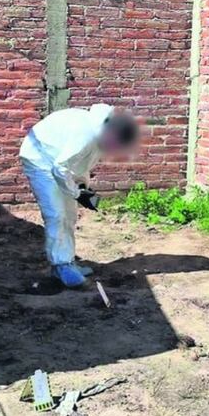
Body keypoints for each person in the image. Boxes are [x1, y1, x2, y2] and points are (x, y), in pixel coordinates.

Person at [20, 104, 139, 287]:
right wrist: (77, 193)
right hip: (40, 159)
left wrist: (83, 188)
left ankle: (67, 261)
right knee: (56, 214)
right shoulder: (86, 134)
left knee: (70, 215)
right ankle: (60, 266)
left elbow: (81, 166)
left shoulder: (101, 136)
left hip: (58, 162)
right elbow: (60, 168)